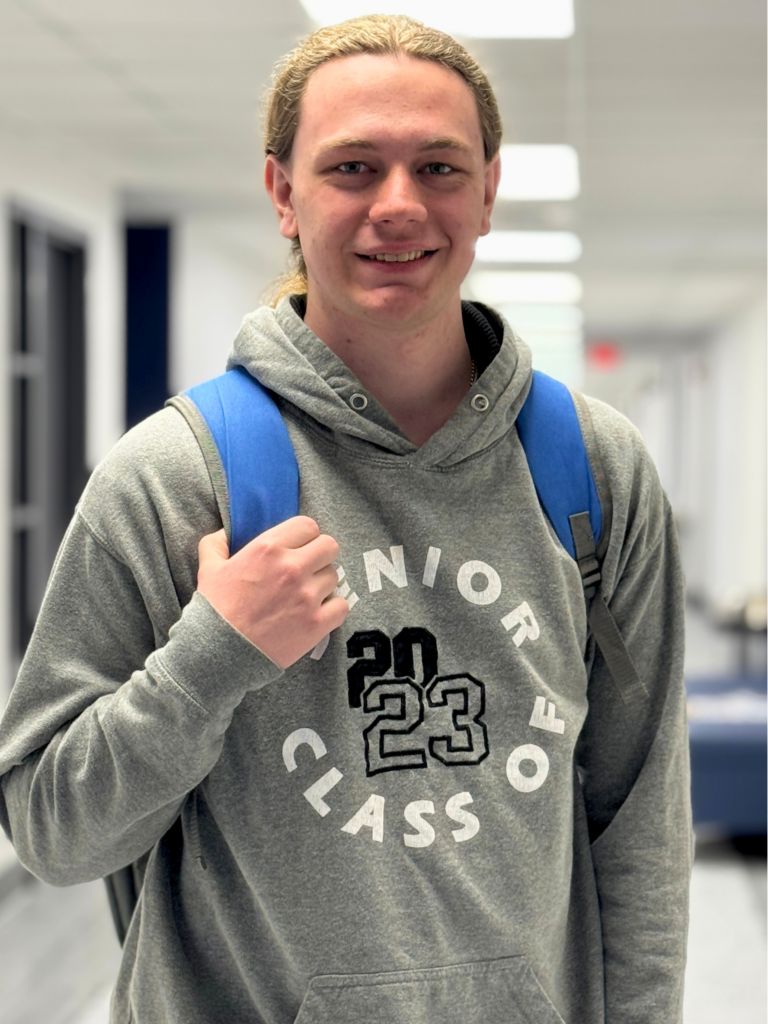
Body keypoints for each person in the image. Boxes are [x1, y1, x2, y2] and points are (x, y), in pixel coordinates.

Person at [0, 15, 692, 1024]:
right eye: (354, 166)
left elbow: (640, 825)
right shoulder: (174, 479)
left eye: (440, 167)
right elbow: (52, 832)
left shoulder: (593, 470)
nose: (399, 204)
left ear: (489, 190)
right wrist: (211, 656)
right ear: (283, 190)